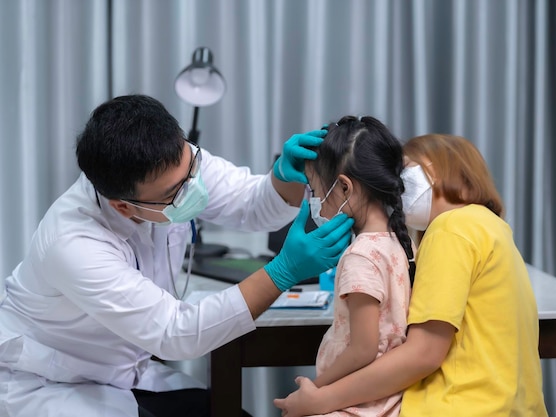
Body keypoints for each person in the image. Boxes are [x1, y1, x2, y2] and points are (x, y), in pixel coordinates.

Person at [0, 94, 354, 417]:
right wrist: (283, 272)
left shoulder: (176, 163)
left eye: (192, 169)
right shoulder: (73, 244)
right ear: (124, 207)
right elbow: (175, 333)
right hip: (48, 382)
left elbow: (251, 205)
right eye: (175, 193)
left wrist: (282, 178)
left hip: (121, 371)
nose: (195, 188)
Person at [275, 133, 549, 417]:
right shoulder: (490, 227)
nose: (396, 187)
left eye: (403, 172)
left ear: (433, 169)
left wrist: (321, 399)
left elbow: (423, 354)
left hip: (462, 407)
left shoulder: (451, 231)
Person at [302, 116, 414, 416]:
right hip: (386, 399)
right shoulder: (395, 242)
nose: (316, 203)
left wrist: (315, 390)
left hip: (360, 405)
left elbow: (363, 350)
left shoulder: (360, 256)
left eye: (315, 191)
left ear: (344, 188)